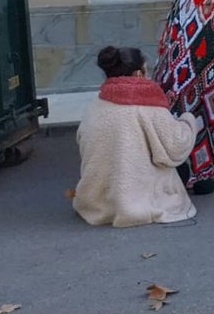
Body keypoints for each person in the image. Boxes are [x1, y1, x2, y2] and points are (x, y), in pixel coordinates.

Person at [73, 46, 200, 227]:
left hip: (96, 199)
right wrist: (188, 121)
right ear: (139, 74)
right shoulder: (148, 104)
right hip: (139, 198)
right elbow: (176, 147)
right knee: (182, 170)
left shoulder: (96, 104)